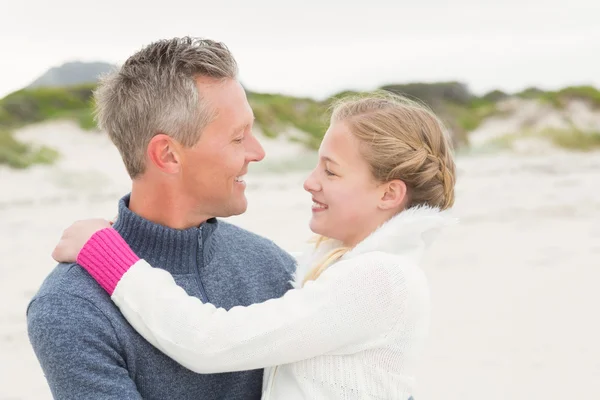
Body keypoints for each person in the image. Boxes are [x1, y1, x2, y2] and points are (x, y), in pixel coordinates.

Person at [52, 92, 458, 399]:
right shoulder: (338, 267)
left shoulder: (382, 278)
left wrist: (108, 256)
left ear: (389, 194)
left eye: (331, 171)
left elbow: (209, 342)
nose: (310, 181)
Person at [26, 37, 297, 400]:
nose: (258, 152)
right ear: (168, 155)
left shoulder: (275, 269)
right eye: (238, 138)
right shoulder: (71, 306)